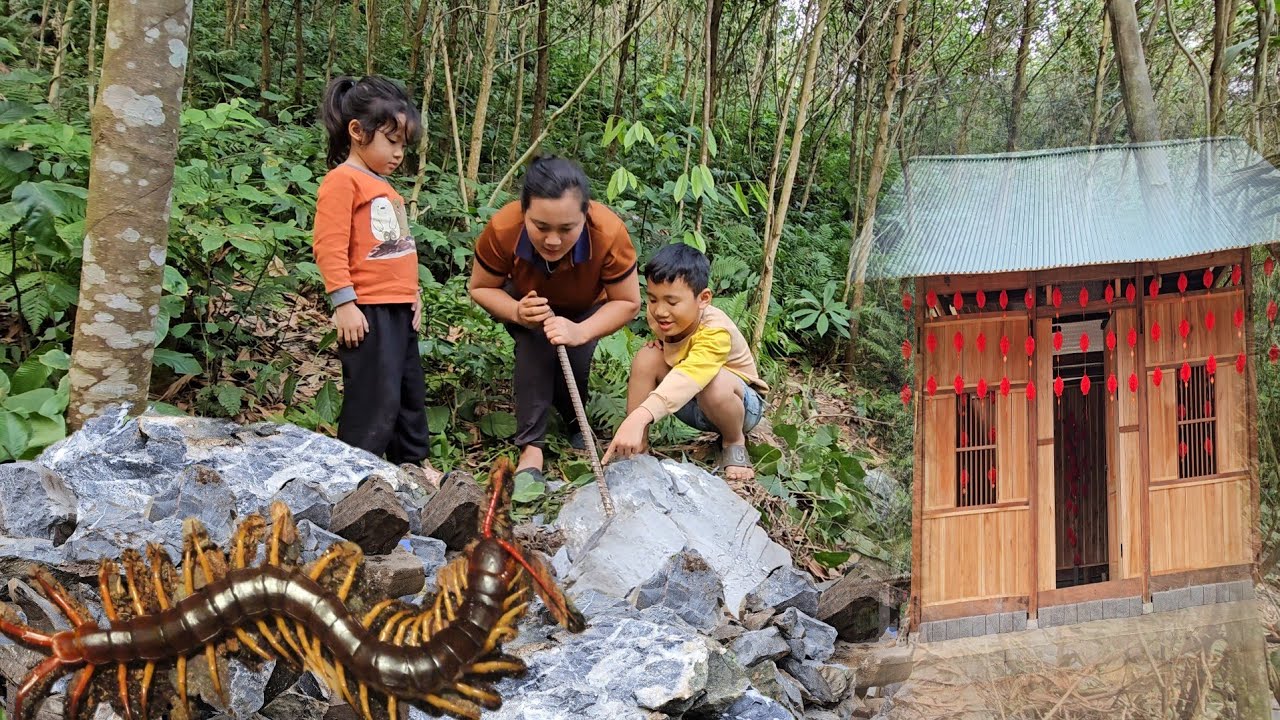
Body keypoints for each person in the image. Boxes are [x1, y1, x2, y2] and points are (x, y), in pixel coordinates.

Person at [468, 156, 641, 482]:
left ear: (585, 215)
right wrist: (517, 312)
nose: (552, 240)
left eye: (566, 229)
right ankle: (531, 446)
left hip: (587, 307)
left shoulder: (609, 233)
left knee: (575, 362)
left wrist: (580, 331)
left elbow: (629, 302)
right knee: (534, 347)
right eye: (541, 227)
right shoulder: (504, 228)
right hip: (528, 303)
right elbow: (480, 287)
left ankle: (575, 420)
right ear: (524, 213)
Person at [312, 75, 432, 468]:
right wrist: (344, 302)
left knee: (408, 393)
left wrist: (412, 295)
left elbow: (397, 250)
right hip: (368, 312)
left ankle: (411, 467)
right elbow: (329, 245)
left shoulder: (385, 187)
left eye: (403, 145)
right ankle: (355, 472)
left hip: (398, 309)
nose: (399, 153)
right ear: (357, 132)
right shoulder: (342, 181)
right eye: (391, 141)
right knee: (373, 398)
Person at [602, 243, 768, 481]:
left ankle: (734, 442)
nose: (660, 311)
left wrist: (640, 415)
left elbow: (692, 374)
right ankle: (636, 447)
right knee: (646, 357)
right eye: (652, 299)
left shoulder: (716, 331)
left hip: (739, 406)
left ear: (703, 299)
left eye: (672, 302)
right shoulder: (661, 317)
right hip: (693, 402)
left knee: (714, 380)